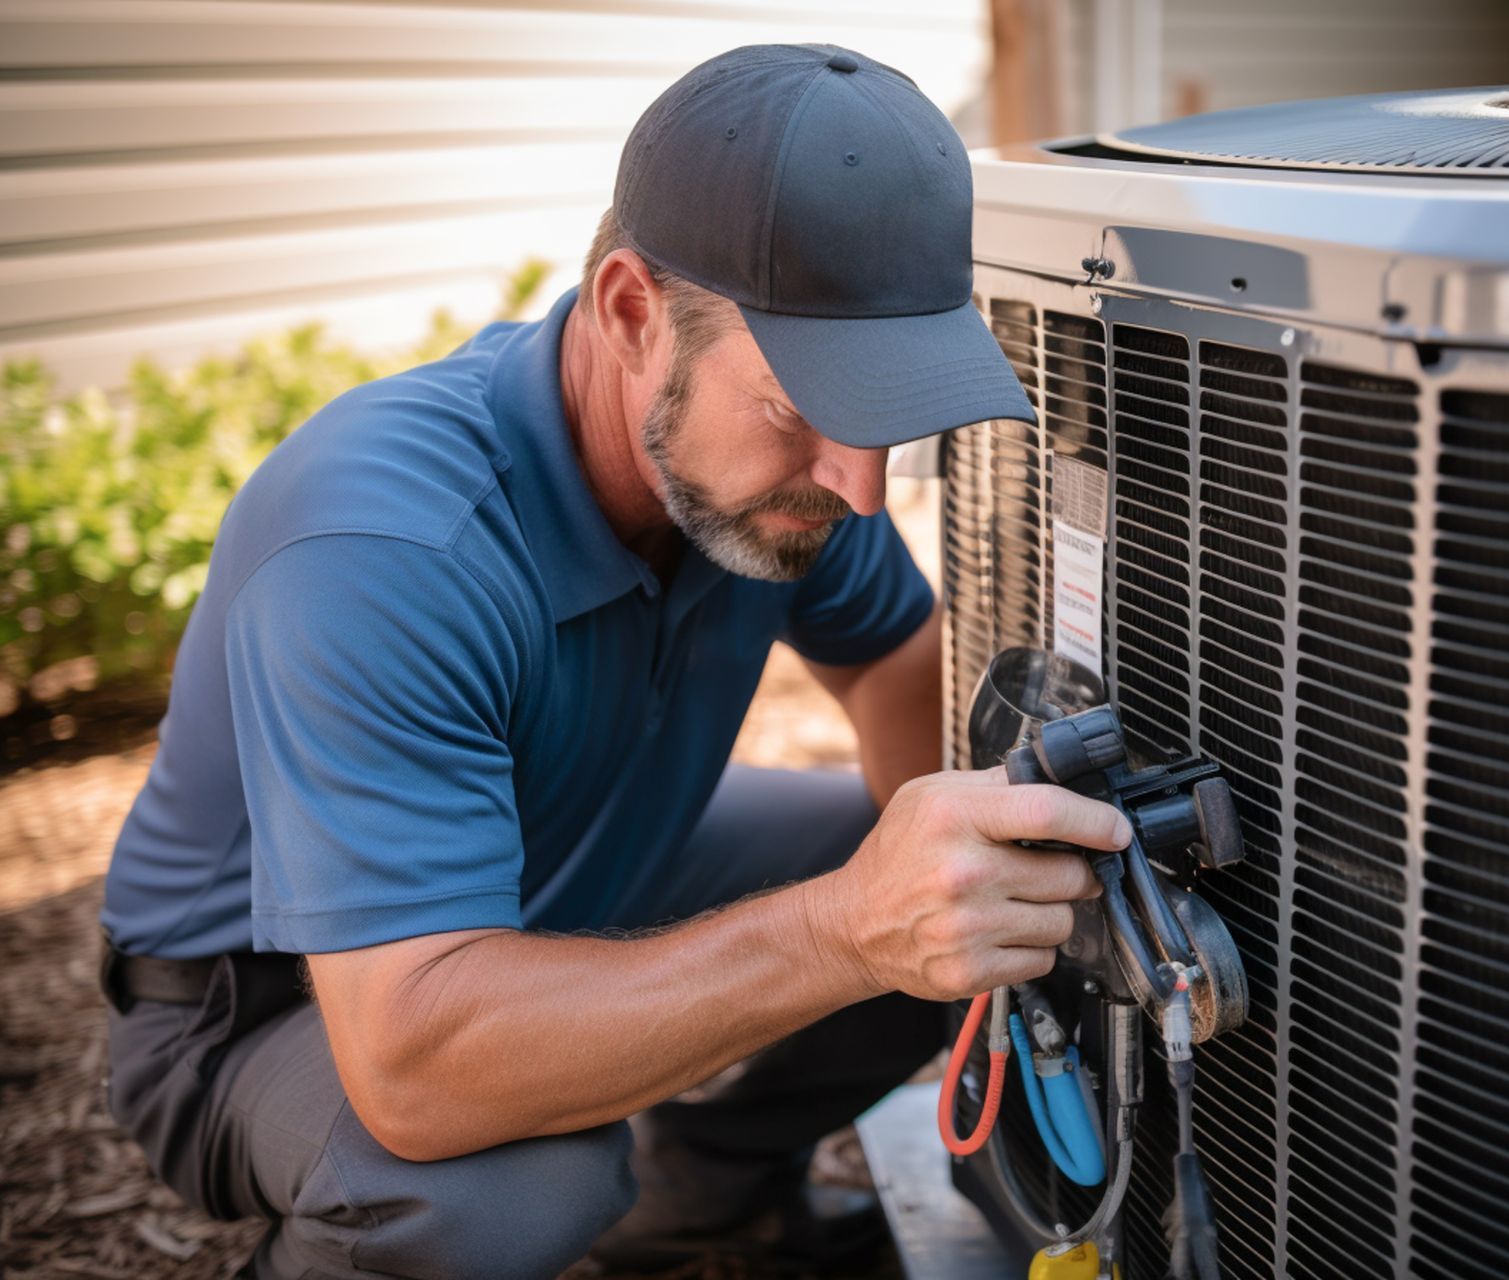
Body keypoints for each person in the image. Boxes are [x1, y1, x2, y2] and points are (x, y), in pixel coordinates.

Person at [95, 43, 1128, 1280]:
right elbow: (414, 1068)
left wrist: (938, 895)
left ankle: (703, 1196)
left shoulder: (781, 478)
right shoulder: (382, 543)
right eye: (800, 403)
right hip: (272, 1002)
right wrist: (849, 932)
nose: (859, 485)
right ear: (633, 311)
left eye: (884, 409)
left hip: (553, 874)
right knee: (503, 1187)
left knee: (974, 880)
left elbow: (904, 670)